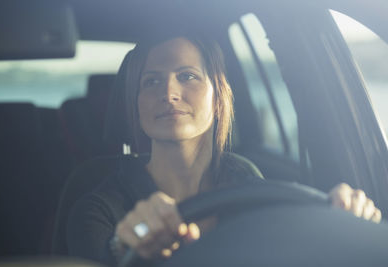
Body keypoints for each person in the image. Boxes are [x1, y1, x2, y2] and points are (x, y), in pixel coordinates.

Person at [67, 33, 382, 266]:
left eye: (187, 76)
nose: (169, 92)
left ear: (218, 98)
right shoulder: (98, 208)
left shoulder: (254, 191)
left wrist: (343, 222)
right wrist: (124, 248)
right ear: (134, 107)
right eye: (151, 82)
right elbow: (105, 253)